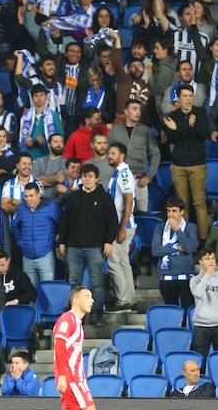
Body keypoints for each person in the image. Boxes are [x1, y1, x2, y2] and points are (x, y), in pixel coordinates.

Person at [59, 164, 116, 322]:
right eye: (85, 176)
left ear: (96, 178)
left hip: (95, 247)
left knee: (97, 282)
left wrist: (108, 241)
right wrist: (62, 241)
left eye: (90, 176)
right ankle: (75, 315)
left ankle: (97, 313)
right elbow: (64, 221)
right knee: (74, 283)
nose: (87, 179)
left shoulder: (105, 197)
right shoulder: (73, 196)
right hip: (74, 247)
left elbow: (112, 222)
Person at [163, 84, 209, 239]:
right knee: (182, 205)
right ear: (178, 98)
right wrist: (177, 129)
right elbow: (171, 139)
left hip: (197, 164)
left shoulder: (200, 113)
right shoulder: (173, 116)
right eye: (185, 96)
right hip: (178, 165)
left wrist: (192, 126)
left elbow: (203, 135)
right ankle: (186, 239)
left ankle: (203, 239)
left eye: (190, 96)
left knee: (199, 203)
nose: (188, 99)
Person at [108, 99, 160, 214]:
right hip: (120, 180)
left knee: (143, 214)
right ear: (126, 112)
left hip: (139, 180)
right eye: (134, 109)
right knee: (118, 213)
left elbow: (155, 154)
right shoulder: (114, 131)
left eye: (139, 110)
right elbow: (108, 155)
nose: (138, 112)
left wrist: (149, 176)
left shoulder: (146, 131)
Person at [106, 142, 137, 311]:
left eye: (113, 153)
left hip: (121, 225)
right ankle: (129, 298)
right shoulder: (118, 173)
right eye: (109, 153)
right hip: (120, 224)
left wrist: (122, 227)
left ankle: (123, 300)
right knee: (123, 263)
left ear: (122, 156)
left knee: (114, 263)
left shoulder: (124, 173)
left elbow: (129, 200)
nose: (109, 156)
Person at [54, 286, 95, 410]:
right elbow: (59, 345)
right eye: (87, 297)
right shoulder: (67, 318)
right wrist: (62, 375)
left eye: (91, 297)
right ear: (76, 300)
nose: (92, 300)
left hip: (76, 377)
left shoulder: (77, 322)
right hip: (71, 378)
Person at [152, 196, 198, 309]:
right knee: (171, 311)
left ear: (182, 212)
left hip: (185, 277)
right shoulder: (160, 228)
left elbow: (189, 248)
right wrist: (176, 248)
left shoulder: (190, 227)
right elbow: (156, 250)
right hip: (166, 276)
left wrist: (178, 230)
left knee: (188, 311)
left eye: (174, 211)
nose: (171, 214)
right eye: (168, 211)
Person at [13, 183, 61, 285]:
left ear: (39, 194)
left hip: (45, 255)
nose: (28, 199)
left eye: (31, 196)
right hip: (27, 256)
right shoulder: (21, 208)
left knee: (47, 289)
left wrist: (53, 241)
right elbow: (16, 227)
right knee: (30, 291)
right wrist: (21, 243)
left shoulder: (50, 206)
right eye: (26, 196)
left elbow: (61, 224)